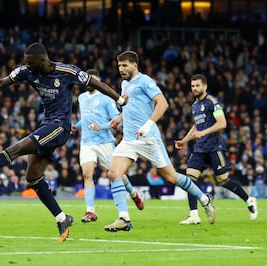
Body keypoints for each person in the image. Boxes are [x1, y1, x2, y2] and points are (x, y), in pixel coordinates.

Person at [0, 42, 127, 241]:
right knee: (32, 176)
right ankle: (62, 218)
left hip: (59, 127)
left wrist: (119, 99)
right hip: (45, 125)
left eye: (30, 62)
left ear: (43, 60)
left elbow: (95, 83)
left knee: (15, 149)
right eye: (25, 62)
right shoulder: (26, 72)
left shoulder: (66, 71)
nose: (26, 65)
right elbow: (0, 83)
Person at [104, 51, 216, 232]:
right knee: (113, 173)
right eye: (119, 66)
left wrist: (148, 125)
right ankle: (124, 218)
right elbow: (133, 106)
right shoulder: (124, 84)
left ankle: (204, 199)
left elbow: (163, 103)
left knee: (170, 176)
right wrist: (120, 117)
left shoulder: (146, 81)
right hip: (130, 139)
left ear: (134, 65)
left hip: (149, 138)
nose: (121, 69)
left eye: (124, 65)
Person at [175, 74, 258, 224]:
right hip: (199, 148)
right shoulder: (194, 106)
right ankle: (193, 214)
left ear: (205, 86)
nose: (194, 88)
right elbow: (196, 126)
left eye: (197, 86)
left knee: (223, 180)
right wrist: (184, 140)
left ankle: (249, 199)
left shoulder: (213, 103)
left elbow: (222, 123)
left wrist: (203, 133)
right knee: (190, 179)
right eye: (192, 86)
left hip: (214, 147)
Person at [73, 69, 143, 223]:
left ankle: (133, 194)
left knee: (117, 174)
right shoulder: (81, 98)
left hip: (104, 142)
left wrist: (102, 126)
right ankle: (90, 211)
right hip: (86, 143)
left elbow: (117, 120)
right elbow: (84, 119)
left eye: (94, 80)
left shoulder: (106, 99)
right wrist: (76, 126)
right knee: (86, 174)